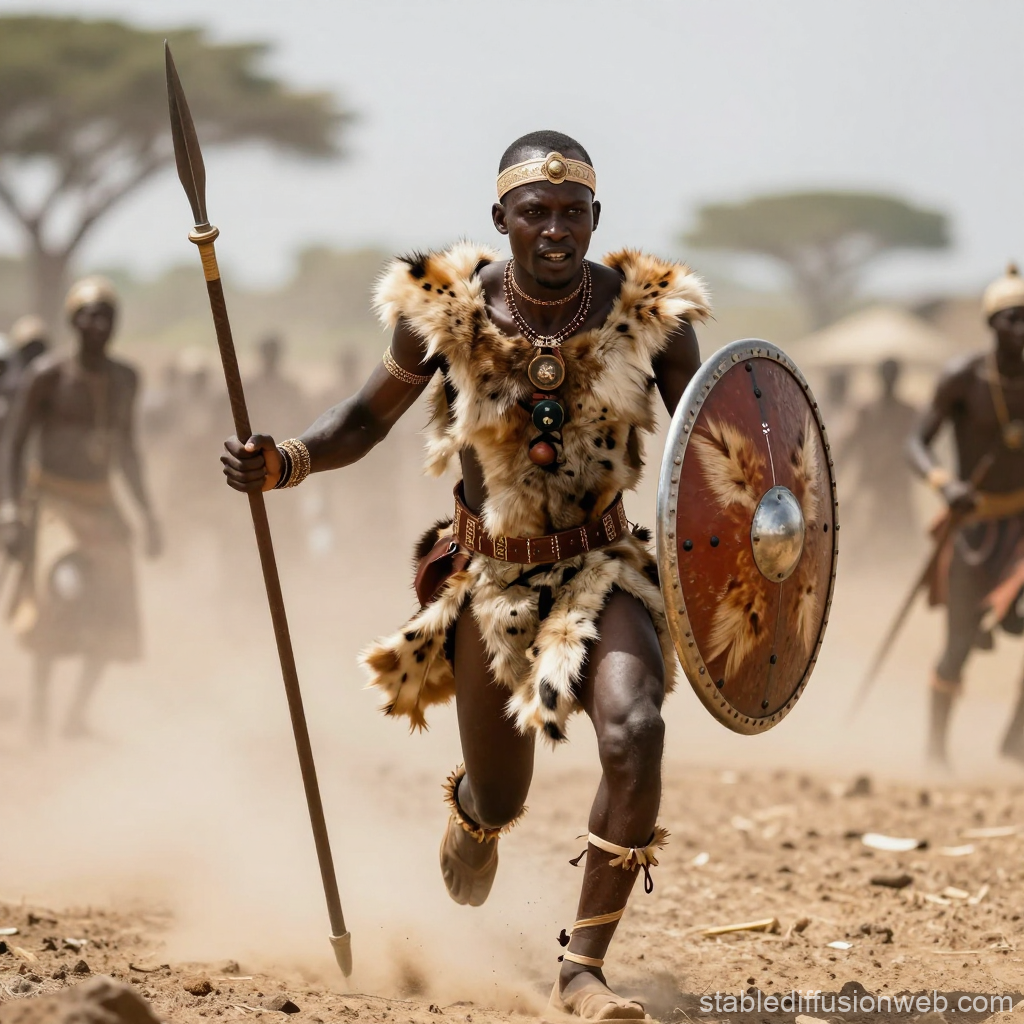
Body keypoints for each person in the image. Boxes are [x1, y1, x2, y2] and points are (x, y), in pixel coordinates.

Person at [221, 131, 710, 1020]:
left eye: (572, 212)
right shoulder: (447, 312)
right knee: (499, 790)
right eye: (536, 212)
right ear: (501, 218)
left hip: (604, 568)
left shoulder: (649, 316)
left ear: (596, 218)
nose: (555, 228)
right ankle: (476, 821)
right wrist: (284, 460)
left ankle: (581, 971)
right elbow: (364, 421)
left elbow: (713, 438)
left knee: (636, 732)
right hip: (493, 581)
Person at [0, 277, 161, 742]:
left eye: (106, 316)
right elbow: (13, 445)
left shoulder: (126, 379)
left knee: (115, 606)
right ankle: (39, 709)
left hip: (101, 501)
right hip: (52, 501)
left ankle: (76, 716)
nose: (98, 325)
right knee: (61, 589)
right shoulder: (47, 376)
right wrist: (10, 511)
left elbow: (127, 451)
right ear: (73, 322)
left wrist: (147, 515)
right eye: (89, 316)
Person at [908, 262, 1024, 768]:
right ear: (992, 323)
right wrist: (944, 484)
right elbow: (916, 443)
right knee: (957, 646)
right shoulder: (964, 377)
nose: (1022, 328)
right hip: (972, 527)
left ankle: (1016, 740)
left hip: (1022, 526)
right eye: (1014, 318)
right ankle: (936, 748)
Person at [836, 358, 919, 563]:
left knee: (902, 539)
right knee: (865, 540)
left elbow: (919, 447)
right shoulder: (866, 412)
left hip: (897, 487)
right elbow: (848, 444)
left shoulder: (908, 412)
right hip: (871, 487)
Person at [0, 314, 49, 440]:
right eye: (29, 347)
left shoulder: (45, 372)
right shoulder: (6, 364)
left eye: (37, 347)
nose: (33, 352)